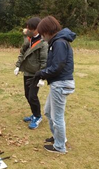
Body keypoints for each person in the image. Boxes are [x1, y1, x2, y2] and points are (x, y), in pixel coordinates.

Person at [33, 16, 76, 153]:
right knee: (47, 111)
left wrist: (42, 73)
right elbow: (54, 64)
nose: (42, 37)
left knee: (57, 116)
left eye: (42, 34)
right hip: (58, 83)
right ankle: (58, 138)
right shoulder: (57, 42)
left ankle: (59, 146)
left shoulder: (59, 43)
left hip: (61, 84)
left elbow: (57, 66)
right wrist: (43, 73)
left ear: (47, 31)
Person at [14, 17, 48, 129]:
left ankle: (38, 117)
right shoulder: (28, 39)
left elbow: (44, 61)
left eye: (30, 28)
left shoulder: (43, 43)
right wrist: (18, 66)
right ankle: (34, 114)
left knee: (32, 96)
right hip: (27, 72)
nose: (27, 30)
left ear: (36, 29)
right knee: (27, 95)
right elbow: (22, 53)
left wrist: (42, 77)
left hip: (36, 74)